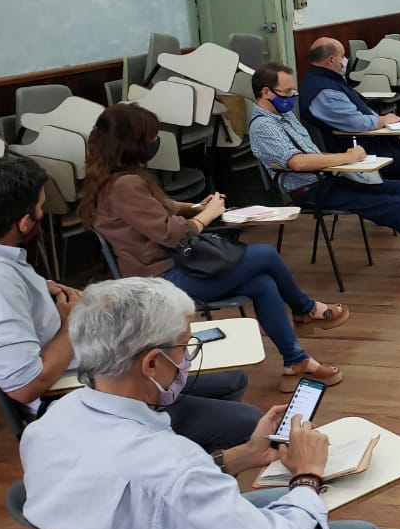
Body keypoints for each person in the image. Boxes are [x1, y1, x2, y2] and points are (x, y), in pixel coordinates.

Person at [19, 277, 386, 529]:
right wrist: (307, 477)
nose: (187, 359)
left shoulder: (48, 425)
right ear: (152, 363)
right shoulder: (173, 469)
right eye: (184, 347)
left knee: (275, 503)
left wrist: (244, 455)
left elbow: (153, 493)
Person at [78, 105, 348, 394]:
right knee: (266, 256)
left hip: (167, 270)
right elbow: (170, 234)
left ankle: (296, 361)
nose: (155, 142)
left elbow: (160, 207)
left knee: (262, 284)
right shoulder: (125, 185)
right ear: (132, 143)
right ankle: (307, 309)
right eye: (151, 137)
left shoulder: (110, 179)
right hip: (163, 280)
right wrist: (207, 215)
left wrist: (197, 207)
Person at [0, 155, 259, 451]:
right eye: (41, 208)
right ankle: (172, 463)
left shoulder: (9, 265)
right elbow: (24, 386)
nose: (44, 214)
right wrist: (70, 323)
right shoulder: (2, 281)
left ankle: (180, 460)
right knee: (249, 421)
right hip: (88, 400)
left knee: (232, 379)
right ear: (24, 222)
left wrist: (47, 293)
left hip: (99, 369)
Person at [248, 62, 400, 268]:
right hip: (310, 190)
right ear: (266, 92)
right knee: (392, 205)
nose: (291, 97)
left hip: (327, 179)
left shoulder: (284, 117)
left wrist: (343, 163)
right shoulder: (263, 126)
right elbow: (297, 162)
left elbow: (309, 156)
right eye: (286, 92)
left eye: (292, 92)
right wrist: (345, 158)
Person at [298, 38, 400, 186]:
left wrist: (380, 118)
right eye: (342, 56)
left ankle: (397, 192)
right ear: (331, 60)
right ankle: (387, 193)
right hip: (349, 147)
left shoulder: (327, 80)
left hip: (361, 140)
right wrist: (381, 120)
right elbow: (355, 122)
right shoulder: (324, 91)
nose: (345, 61)